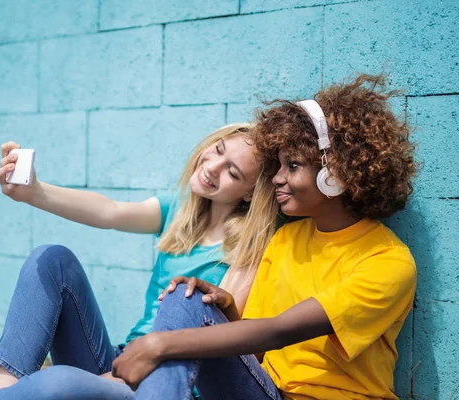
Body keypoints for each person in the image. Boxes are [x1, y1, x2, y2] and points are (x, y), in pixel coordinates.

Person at [111, 74, 417, 400]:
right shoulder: (287, 237)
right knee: (183, 297)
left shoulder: (387, 262)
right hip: (265, 390)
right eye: (279, 166)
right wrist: (225, 306)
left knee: (171, 339)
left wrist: (157, 344)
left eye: (293, 166)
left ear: (335, 175)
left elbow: (280, 331)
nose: (278, 179)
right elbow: (255, 348)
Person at [0, 123, 279, 399]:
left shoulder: (248, 249)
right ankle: (4, 392)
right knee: (51, 260)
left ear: (251, 192)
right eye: (217, 150)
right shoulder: (179, 211)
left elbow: (227, 344)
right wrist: (34, 192)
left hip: (167, 383)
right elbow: (110, 211)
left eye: (232, 172)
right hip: (122, 361)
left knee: (56, 383)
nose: (212, 167)